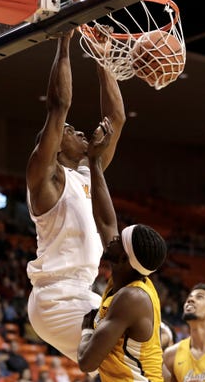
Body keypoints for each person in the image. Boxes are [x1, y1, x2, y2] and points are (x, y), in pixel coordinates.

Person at [25, 27, 126, 364]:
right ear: (52, 147)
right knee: (127, 348)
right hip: (55, 299)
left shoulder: (87, 172)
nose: (77, 129)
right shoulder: (47, 181)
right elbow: (59, 106)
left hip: (82, 292)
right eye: (68, 131)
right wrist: (64, 41)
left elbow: (117, 119)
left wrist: (103, 59)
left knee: (154, 340)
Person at [76, 120, 168, 380]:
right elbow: (105, 220)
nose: (113, 238)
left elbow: (86, 361)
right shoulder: (124, 270)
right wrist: (94, 162)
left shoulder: (132, 298)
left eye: (120, 239)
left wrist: (86, 329)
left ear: (124, 259)